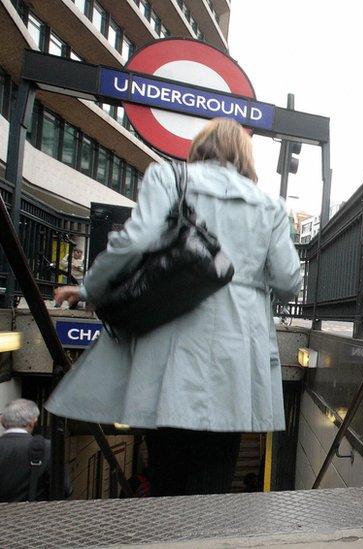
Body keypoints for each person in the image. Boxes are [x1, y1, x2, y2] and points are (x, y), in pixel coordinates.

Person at [48, 118, 301, 497]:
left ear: (200, 148)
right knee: (216, 470)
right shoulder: (271, 207)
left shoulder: (171, 177)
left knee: (167, 466)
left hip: (171, 338)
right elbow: (288, 280)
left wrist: (89, 288)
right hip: (238, 350)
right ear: (244, 156)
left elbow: (134, 242)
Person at [0, 399, 51, 502]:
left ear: (2, 422)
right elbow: (64, 489)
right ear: (32, 423)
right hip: (34, 515)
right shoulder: (47, 447)